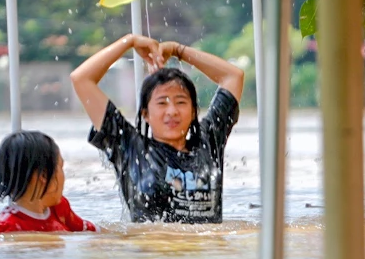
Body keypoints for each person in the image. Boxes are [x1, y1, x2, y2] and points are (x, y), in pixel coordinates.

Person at [70, 34, 244, 223]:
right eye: (162, 103)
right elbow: (81, 79)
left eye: (181, 102)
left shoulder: (209, 142)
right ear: (145, 113)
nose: (172, 111)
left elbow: (233, 76)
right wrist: (129, 42)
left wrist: (178, 50)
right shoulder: (130, 147)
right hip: (152, 250)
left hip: (204, 251)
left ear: (194, 111)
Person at [0, 131, 97, 234]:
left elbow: (95, 232)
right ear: (44, 175)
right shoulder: (1, 229)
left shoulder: (60, 209)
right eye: (61, 167)